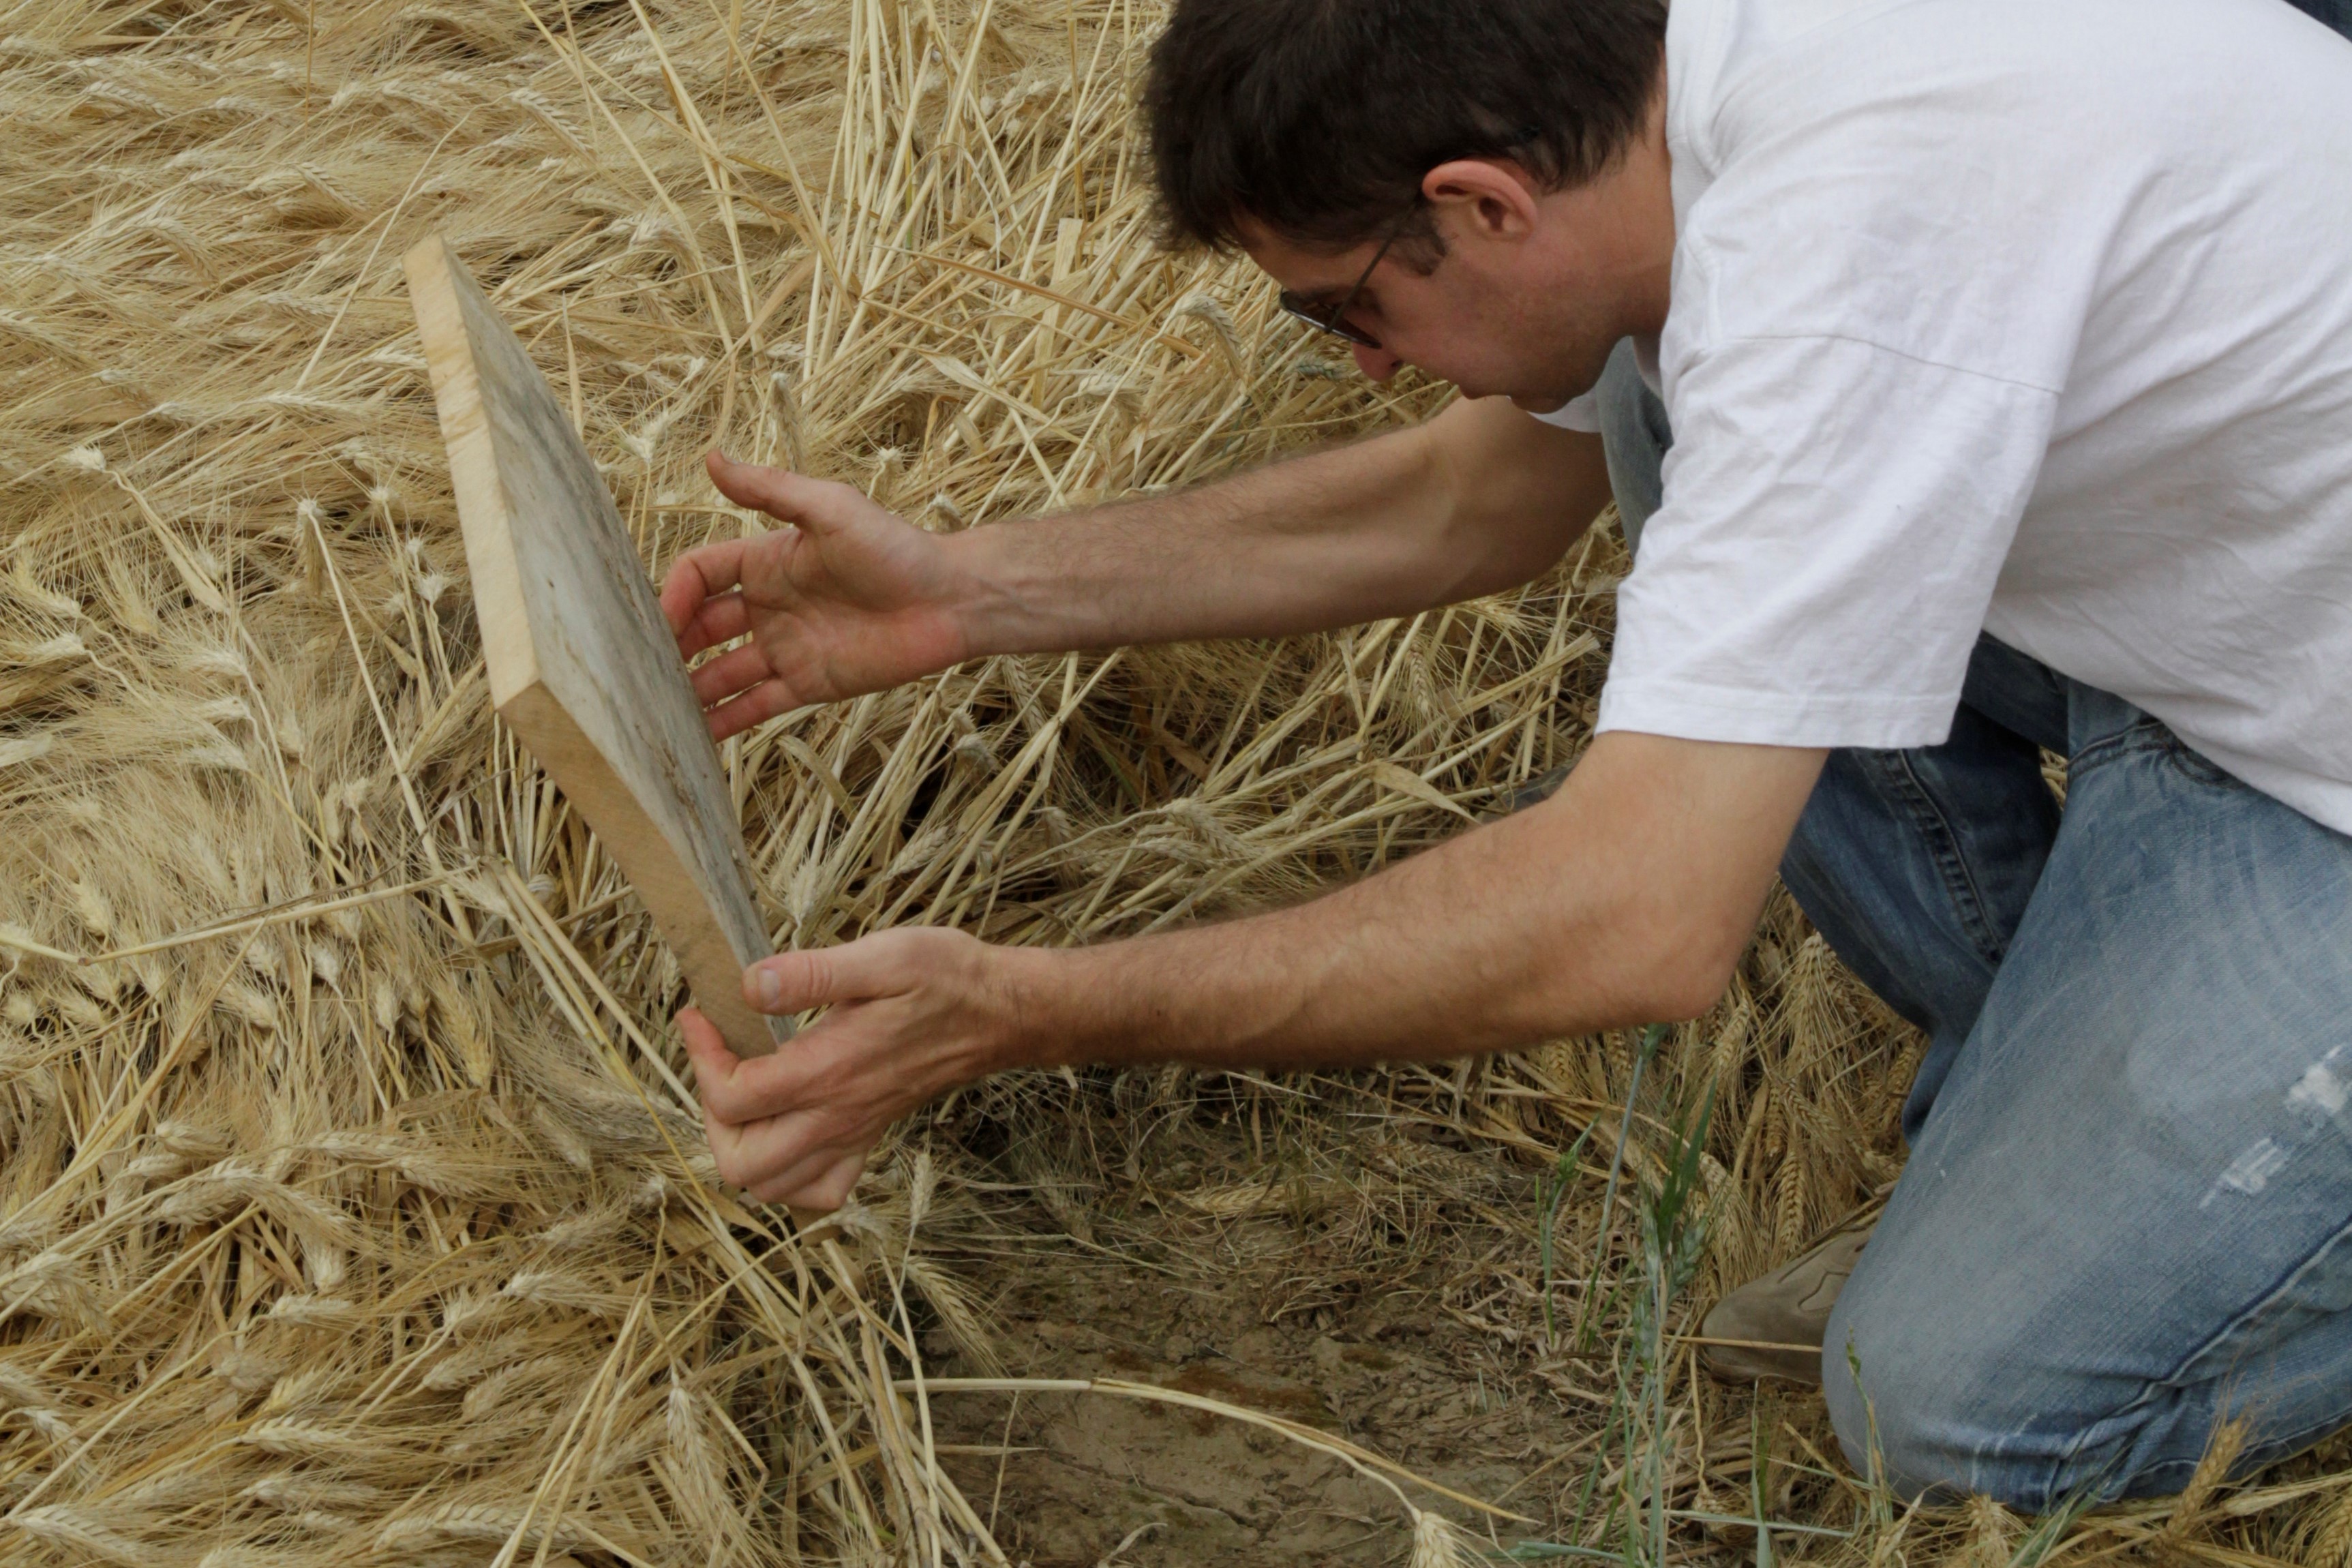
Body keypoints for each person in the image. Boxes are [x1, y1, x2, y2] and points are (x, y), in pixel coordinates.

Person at [658, 0, 2352, 1509]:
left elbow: (1637, 919)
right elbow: (1477, 494)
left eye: (1344, 312)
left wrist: (1024, 1008)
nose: (1372, 365)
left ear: (1479, 201)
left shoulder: (1862, 246)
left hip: (2308, 778)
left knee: (1952, 1404)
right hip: (2232, 615)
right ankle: (2070, 1117)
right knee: (1658, 416)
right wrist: (967, 590)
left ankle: (2207, 1213)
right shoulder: (1714, 84)